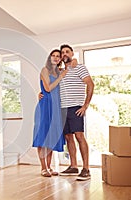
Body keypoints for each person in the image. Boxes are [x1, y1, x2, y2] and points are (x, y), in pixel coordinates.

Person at [58, 44, 94, 181]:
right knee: (68, 138)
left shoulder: (79, 67)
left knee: (79, 136)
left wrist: (85, 105)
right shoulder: (60, 71)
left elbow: (90, 84)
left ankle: (86, 168)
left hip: (75, 107)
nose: (64, 54)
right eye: (62, 52)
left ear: (72, 53)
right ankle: (73, 166)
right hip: (63, 108)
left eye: (67, 51)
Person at [33, 49, 68, 177]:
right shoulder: (45, 70)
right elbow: (47, 88)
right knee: (43, 137)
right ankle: (43, 168)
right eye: (53, 55)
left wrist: (61, 75)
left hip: (56, 107)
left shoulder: (59, 71)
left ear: (60, 59)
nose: (55, 58)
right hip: (45, 106)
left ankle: (49, 166)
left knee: (52, 137)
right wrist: (60, 77)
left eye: (58, 56)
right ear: (49, 58)